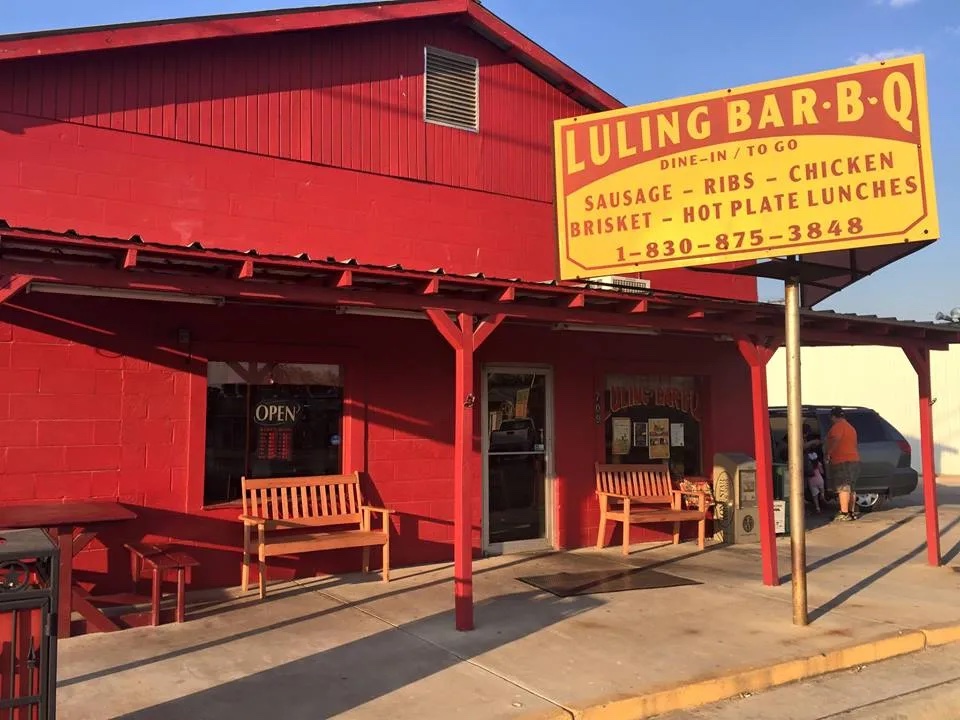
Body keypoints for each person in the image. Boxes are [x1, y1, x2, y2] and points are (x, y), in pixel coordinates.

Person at [825, 407, 861, 521]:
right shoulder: (851, 428)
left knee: (843, 487)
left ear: (833, 417)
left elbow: (836, 440)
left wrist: (828, 453)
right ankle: (851, 512)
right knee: (851, 488)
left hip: (842, 461)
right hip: (854, 460)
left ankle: (844, 513)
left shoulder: (838, 427)